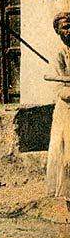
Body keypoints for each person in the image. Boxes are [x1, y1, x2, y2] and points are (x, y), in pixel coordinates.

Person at [45, 11, 70, 199]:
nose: (69, 31)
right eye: (65, 27)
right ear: (58, 31)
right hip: (66, 111)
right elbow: (58, 89)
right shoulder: (58, 55)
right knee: (66, 154)